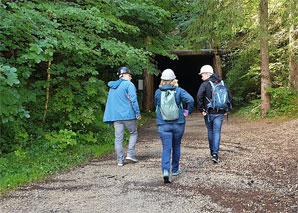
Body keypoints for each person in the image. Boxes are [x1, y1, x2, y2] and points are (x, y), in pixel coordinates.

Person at [154, 69, 194, 183]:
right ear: (173, 80)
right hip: (178, 123)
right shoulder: (179, 91)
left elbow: (155, 105)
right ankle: (175, 169)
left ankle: (166, 171)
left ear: (162, 80)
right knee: (176, 145)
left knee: (166, 148)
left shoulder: (157, 92)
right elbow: (190, 100)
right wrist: (187, 111)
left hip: (163, 124)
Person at [103, 67, 141, 166]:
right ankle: (130, 154)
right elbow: (133, 99)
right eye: (130, 75)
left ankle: (120, 161)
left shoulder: (112, 87)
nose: (131, 77)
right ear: (124, 75)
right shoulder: (129, 84)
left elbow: (111, 103)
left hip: (116, 117)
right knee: (133, 133)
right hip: (128, 115)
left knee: (118, 139)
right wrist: (137, 113)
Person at [196, 65, 232, 163]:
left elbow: (199, 96)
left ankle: (212, 152)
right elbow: (229, 96)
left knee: (210, 131)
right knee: (217, 132)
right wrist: (226, 109)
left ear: (207, 74)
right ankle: (215, 154)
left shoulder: (205, 84)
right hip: (220, 112)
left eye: (202, 74)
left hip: (208, 112)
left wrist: (201, 109)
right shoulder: (221, 83)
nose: (201, 76)